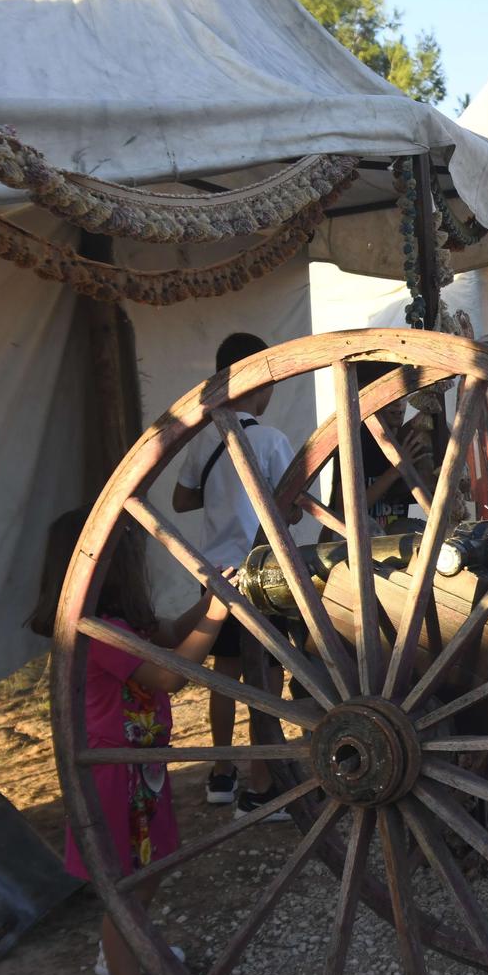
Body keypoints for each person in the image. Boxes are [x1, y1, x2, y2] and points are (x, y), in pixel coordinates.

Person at [28, 509, 230, 975]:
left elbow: (166, 634)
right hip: (113, 772)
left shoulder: (122, 625)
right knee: (128, 882)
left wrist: (207, 605)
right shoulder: (98, 631)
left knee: (148, 868)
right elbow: (167, 676)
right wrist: (216, 620)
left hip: (138, 765)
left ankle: (117, 951)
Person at [172, 332, 296, 819]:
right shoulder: (270, 440)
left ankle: (222, 774)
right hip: (262, 575)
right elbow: (294, 511)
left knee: (226, 678)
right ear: (260, 382)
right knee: (266, 679)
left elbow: (181, 502)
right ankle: (264, 784)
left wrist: (223, 493)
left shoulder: (205, 438)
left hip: (217, 572)